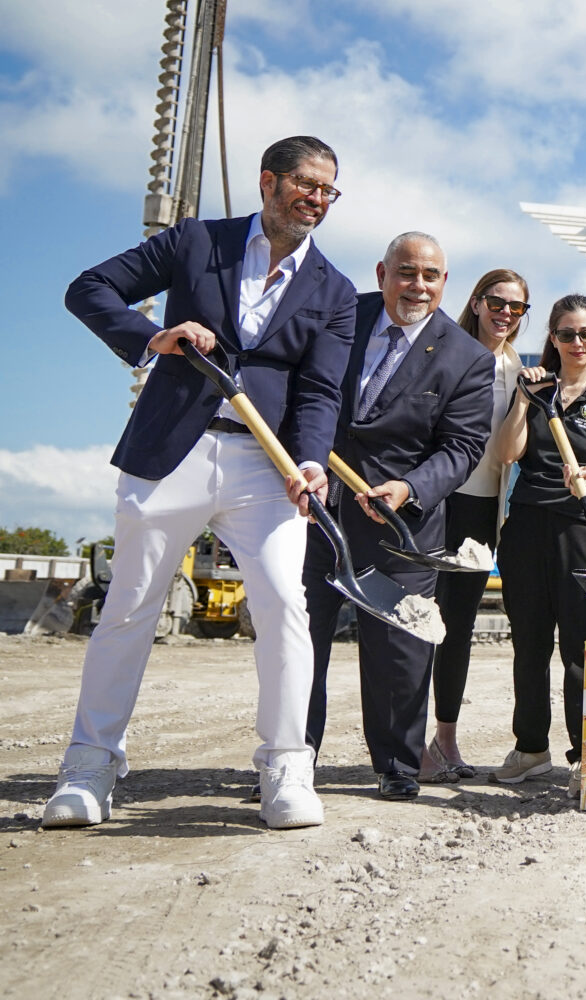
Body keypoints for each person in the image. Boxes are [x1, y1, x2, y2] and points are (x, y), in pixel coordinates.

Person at [46, 136, 356, 830]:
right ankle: (89, 767)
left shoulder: (334, 291)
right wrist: (148, 335)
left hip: (264, 466)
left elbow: (320, 392)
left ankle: (285, 767)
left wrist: (308, 462)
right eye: (305, 184)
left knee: (284, 606)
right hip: (170, 455)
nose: (316, 199)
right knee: (128, 607)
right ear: (268, 182)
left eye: (328, 191)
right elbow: (88, 288)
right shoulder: (195, 243)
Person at [302, 233, 494, 801]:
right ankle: (292, 756)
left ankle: (396, 766)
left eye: (431, 276)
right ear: (383, 272)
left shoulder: (467, 358)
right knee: (298, 641)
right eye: (407, 273)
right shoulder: (341, 316)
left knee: (399, 653)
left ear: (444, 283)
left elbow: (462, 447)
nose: (418, 285)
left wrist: (409, 487)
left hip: (401, 527)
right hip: (313, 510)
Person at [493, 295, 586, 796]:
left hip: (585, 526)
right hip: (529, 525)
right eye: (567, 334)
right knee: (529, 645)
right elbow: (508, 453)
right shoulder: (535, 387)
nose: (577, 344)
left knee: (583, 649)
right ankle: (530, 748)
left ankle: (585, 755)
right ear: (552, 337)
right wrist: (525, 401)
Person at [423, 268, 529, 782]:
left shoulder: (516, 368)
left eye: (517, 306)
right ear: (477, 301)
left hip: (483, 510)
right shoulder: (444, 347)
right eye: (497, 301)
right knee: (414, 622)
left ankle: (443, 740)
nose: (506, 312)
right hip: (434, 501)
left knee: (458, 626)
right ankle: (400, 740)